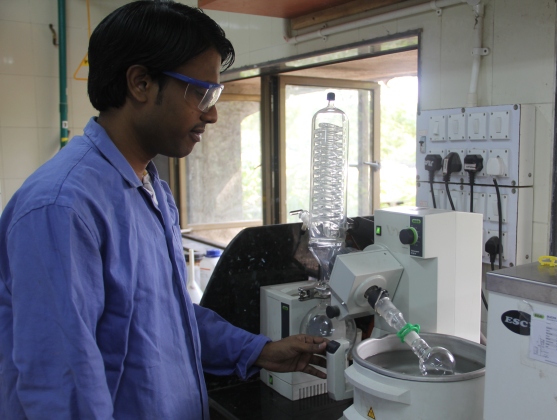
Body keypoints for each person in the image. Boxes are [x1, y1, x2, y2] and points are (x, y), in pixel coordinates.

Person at [0, 1, 327, 418]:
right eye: (201, 93)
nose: (212, 114)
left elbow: (167, 318)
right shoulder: (63, 207)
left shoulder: (150, 189)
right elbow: (62, 386)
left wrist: (258, 351)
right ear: (140, 83)